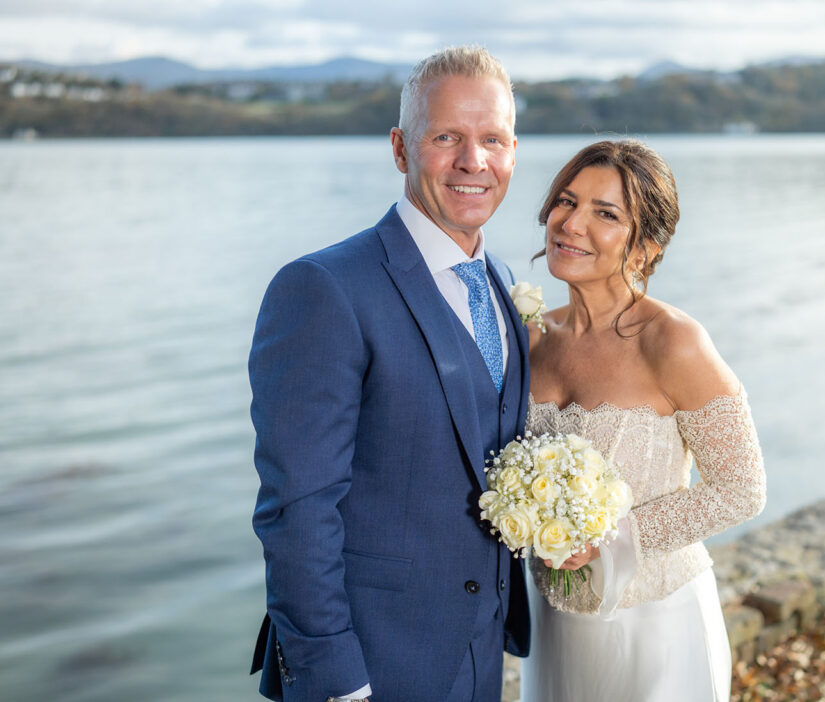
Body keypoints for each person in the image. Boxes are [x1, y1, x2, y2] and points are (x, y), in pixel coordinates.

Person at [248, 46, 530, 702]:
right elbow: (297, 507)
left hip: (480, 653)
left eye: (493, 139)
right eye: (447, 138)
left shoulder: (505, 284)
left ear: (513, 150)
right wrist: (336, 681)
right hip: (371, 668)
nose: (473, 161)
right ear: (401, 148)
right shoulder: (323, 289)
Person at [519, 140, 767, 701]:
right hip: (555, 627)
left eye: (606, 214)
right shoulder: (531, 334)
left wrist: (608, 539)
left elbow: (742, 489)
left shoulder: (673, 341)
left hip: (657, 624)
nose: (571, 223)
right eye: (566, 201)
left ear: (644, 250)